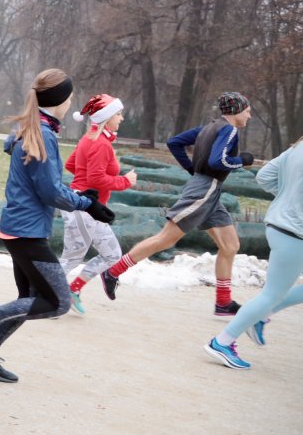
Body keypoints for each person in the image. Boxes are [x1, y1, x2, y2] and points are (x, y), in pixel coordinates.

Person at [0, 69, 115, 383]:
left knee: (28, 298)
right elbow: (49, 190)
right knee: (57, 302)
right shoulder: (42, 133)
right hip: (26, 233)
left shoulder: (34, 127)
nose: (71, 99)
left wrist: (79, 195)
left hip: (19, 228)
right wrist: (89, 203)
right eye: (70, 95)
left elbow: (45, 182)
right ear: (60, 100)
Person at [98, 93, 255, 315]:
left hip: (209, 191)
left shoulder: (209, 127)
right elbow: (218, 161)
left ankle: (223, 302)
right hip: (204, 191)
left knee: (230, 246)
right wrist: (242, 161)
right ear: (236, 110)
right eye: (247, 110)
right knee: (166, 238)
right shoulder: (229, 130)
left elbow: (175, 143)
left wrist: (193, 170)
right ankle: (113, 272)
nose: (249, 115)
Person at [204, 139, 303, 368]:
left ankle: (260, 317)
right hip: (294, 233)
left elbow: (264, 176)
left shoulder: (297, 146)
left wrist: (287, 199)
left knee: (273, 294)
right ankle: (222, 342)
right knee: (271, 294)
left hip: (282, 226)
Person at [59, 94, 137, 313]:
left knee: (112, 254)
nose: (121, 118)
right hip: (83, 209)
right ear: (107, 117)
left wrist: (84, 179)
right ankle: (41, 295)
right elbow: (95, 178)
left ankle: (73, 289)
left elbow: (71, 164)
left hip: (94, 210)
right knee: (71, 259)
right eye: (119, 114)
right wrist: (125, 181)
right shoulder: (100, 143)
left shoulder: (90, 138)